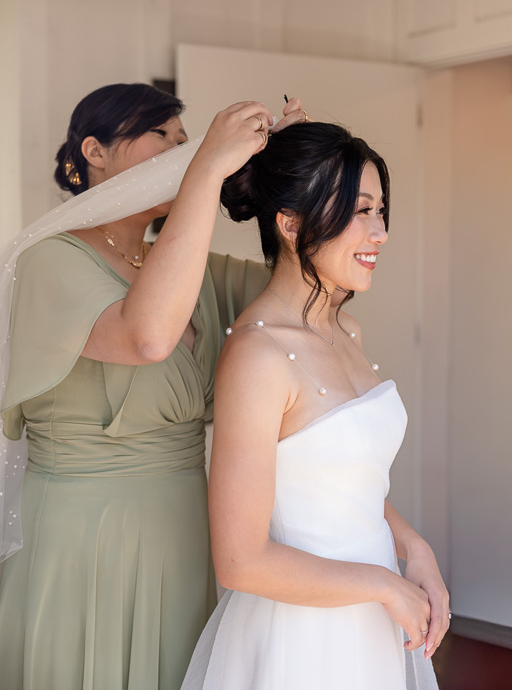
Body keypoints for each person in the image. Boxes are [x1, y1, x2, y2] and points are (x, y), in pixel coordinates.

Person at [0, 83, 305, 690]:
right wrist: (206, 170)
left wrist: (293, 174)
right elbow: (146, 337)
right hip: (85, 537)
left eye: (187, 142)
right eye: (161, 135)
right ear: (94, 151)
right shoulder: (49, 261)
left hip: (185, 528)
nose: (180, 151)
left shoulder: (192, 269)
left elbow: (308, 292)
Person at [181, 122, 450, 689]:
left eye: (380, 210)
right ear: (290, 224)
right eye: (359, 211)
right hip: (304, 635)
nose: (379, 232)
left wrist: (414, 547)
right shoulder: (257, 356)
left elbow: (343, 481)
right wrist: (383, 584)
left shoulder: (347, 330)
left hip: (374, 624)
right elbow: (240, 559)